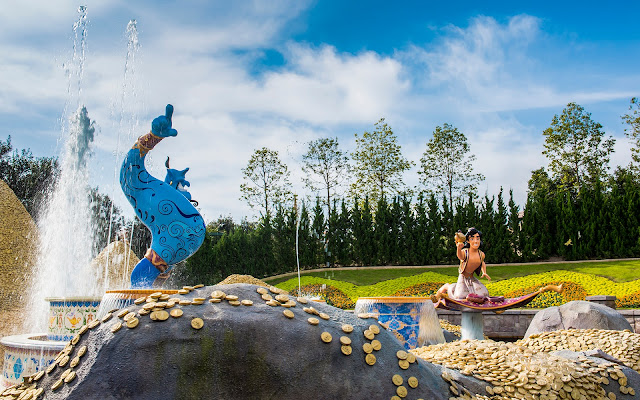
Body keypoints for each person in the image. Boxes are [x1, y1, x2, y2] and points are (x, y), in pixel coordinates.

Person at [436, 227, 491, 301]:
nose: (475, 241)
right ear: (468, 241)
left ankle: (470, 296)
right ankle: (447, 287)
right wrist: (458, 248)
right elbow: (460, 256)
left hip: (471, 278)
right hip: (463, 276)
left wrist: (484, 272)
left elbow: (482, 262)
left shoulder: (481, 254)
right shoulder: (465, 252)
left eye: (477, 239)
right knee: (459, 296)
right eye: (472, 239)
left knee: (484, 293)